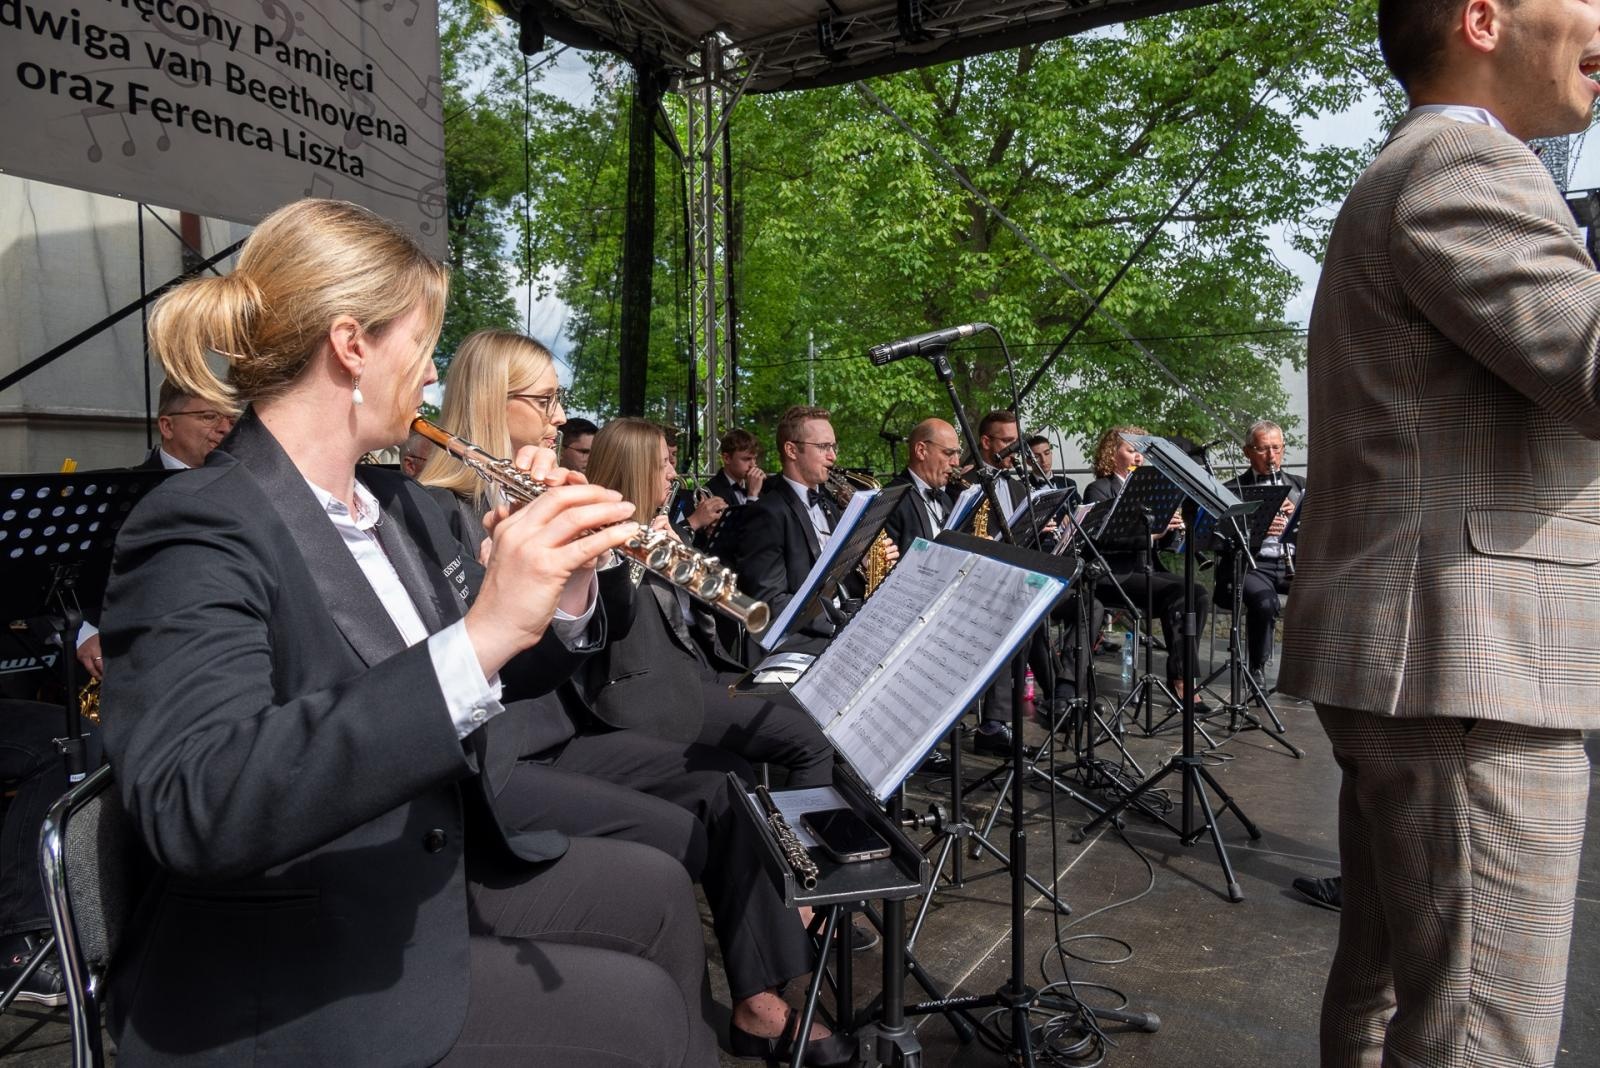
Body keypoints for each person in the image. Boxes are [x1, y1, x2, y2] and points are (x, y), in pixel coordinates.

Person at [98, 198, 716, 1067]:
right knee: (640, 1014)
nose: (431, 382)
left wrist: (564, 589)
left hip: (420, 860)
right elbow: (197, 803)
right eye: (423, 350)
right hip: (294, 954)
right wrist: (482, 633)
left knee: (656, 892)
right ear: (352, 346)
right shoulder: (197, 525)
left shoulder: (396, 505)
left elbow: (489, 676)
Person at [1279, 3, 1600, 1064]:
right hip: (1471, 664)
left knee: (1383, 1004)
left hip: (1432, 663)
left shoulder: (1424, 167)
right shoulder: (1467, 168)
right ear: (1481, 18)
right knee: (1477, 1035)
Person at [418, 335, 850, 1064]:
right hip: (498, 750)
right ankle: (679, 1015)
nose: (559, 420)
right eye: (545, 401)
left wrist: (614, 557)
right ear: (495, 401)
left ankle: (765, 998)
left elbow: (597, 632)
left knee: (727, 789)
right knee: (680, 834)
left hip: (559, 723)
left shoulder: (545, 489)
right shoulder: (436, 509)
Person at [577, 417, 833, 786]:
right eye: (664, 463)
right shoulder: (601, 537)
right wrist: (639, 554)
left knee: (812, 711)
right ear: (635, 468)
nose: (673, 474)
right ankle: (794, 842)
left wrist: (681, 554)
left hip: (693, 671)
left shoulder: (659, 528)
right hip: (649, 691)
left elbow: (715, 610)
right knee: (810, 743)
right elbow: (614, 622)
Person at [1083, 426, 1209, 704]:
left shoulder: (1148, 491)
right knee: (1180, 592)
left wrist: (1172, 531)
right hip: (1115, 574)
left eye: (1141, 452)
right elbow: (1101, 541)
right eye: (1131, 450)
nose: (1138, 457)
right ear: (1110, 453)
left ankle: (1182, 674)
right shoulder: (1099, 489)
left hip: (1146, 570)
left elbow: (1159, 544)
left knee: (1196, 592)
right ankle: (1181, 679)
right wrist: (1153, 534)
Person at [1218, 420, 1303, 682]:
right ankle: (1257, 670)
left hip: (1293, 563)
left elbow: (1324, 529)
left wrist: (1299, 519)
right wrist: (1259, 527)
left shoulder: (1299, 486)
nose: (1271, 456)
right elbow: (1219, 538)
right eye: (1263, 449)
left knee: (1327, 595)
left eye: (1277, 448)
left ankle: (1307, 669)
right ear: (1247, 452)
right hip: (1252, 565)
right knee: (1266, 603)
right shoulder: (1232, 489)